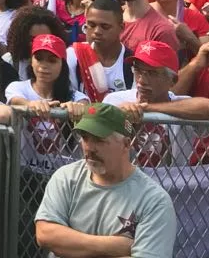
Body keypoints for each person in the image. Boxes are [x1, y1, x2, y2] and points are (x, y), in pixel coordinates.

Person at [34, 103, 177, 258]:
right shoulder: (66, 177)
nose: (89, 147)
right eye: (85, 138)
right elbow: (45, 234)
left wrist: (70, 246)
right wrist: (116, 246)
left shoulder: (154, 200)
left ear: (126, 144)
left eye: (99, 140)